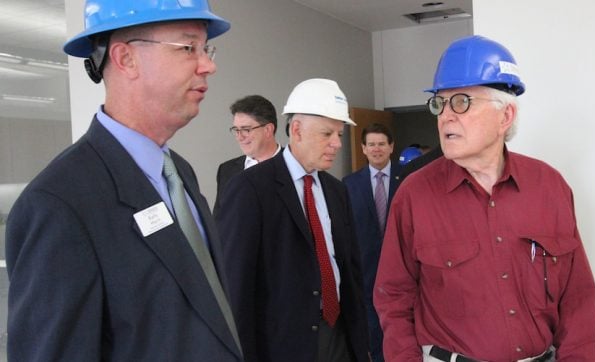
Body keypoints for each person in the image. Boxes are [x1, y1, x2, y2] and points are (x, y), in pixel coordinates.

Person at [4, 1, 243, 361]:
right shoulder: (57, 204)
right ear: (126, 58)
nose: (209, 64)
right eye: (187, 47)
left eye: (205, 48)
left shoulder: (179, 172)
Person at [374, 35, 595, 361]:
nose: (445, 116)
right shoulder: (414, 195)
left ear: (505, 116)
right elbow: (393, 298)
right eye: (440, 103)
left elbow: (577, 297)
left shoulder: (550, 187)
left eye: (462, 102)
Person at [217, 78, 368, 361]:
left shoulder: (336, 191)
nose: (337, 144)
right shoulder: (250, 188)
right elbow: (236, 286)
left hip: (339, 336)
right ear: (296, 130)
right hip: (284, 344)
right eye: (327, 134)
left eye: (339, 133)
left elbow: (351, 274)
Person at [342, 122, 400, 362]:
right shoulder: (348, 185)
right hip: (364, 271)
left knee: (399, 324)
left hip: (400, 268)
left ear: (391, 147)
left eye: (381, 144)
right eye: (372, 144)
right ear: (364, 149)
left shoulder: (407, 179)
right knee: (372, 329)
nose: (377, 149)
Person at [213, 95, 281, 215]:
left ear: (268, 130)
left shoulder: (296, 167)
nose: (240, 137)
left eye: (246, 129)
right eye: (236, 130)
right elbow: (219, 223)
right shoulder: (226, 170)